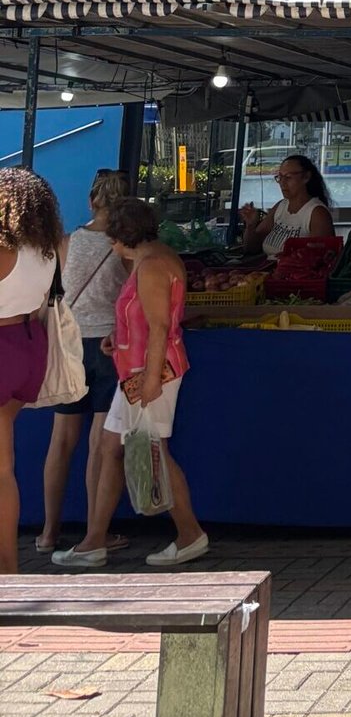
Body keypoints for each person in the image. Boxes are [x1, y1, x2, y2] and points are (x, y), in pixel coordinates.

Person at [54, 198, 207, 569]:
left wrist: (152, 378)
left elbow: (159, 326)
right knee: (114, 447)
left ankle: (189, 534)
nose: (110, 244)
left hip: (149, 374)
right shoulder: (153, 257)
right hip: (138, 371)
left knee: (151, 447)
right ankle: (94, 541)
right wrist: (118, 338)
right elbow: (147, 320)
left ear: (124, 236)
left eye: (112, 238)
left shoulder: (151, 266)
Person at [36, 170, 131, 555]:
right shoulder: (124, 246)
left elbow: (53, 293)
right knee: (99, 444)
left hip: (70, 346)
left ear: (92, 201)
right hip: (110, 346)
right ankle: (96, 534)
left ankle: (47, 532)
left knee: (60, 442)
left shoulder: (67, 242)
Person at [0, 168, 68, 575]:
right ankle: (8, 566)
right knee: (3, 467)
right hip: (29, 347)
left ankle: (6, 567)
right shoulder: (49, 248)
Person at [241, 154, 334, 255]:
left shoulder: (317, 213)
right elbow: (251, 248)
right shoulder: (281, 206)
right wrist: (250, 226)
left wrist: (290, 258)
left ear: (306, 177)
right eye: (280, 177)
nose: (282, 183)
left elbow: (320, 258)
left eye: (288, 177)